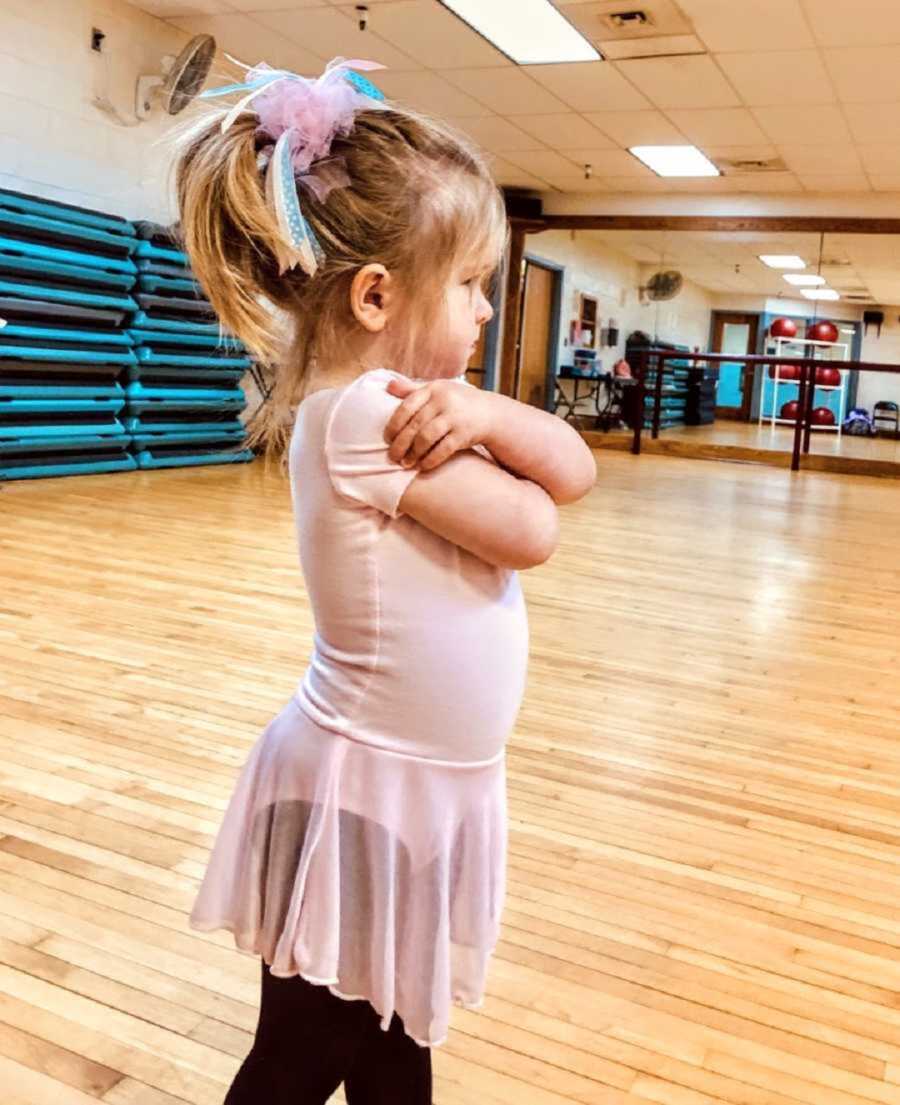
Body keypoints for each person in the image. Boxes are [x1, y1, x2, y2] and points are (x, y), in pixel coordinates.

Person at [173, 56, 596, 1104]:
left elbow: (570, 476)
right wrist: (496, 424)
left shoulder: (397, 404)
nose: (488, 311)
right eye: (470, 285)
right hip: (365, 787)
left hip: (406, 786)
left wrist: (491, 416)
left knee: (392, 1037)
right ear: (376, 295)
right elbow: (538, 522)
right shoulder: (366, 415)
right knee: (310, 1054)